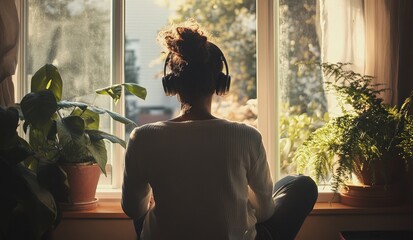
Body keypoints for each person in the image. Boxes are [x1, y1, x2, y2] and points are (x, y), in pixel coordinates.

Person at [121, 19, 318, 240]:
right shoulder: (247, 137)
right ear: (221, 83)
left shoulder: (142, 137)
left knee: (142, 199)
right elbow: (264, 213)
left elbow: (133, 211)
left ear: (171, 85)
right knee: (301, 185)